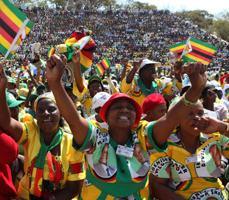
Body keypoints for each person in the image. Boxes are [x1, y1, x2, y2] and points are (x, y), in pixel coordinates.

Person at [46, 54, 207, 199]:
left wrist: (196, 89)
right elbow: (73, 119)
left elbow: (171, 119)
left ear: (136, 118)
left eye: (130, 108)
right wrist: (54, 82)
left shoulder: (144, 135)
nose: (124, 109)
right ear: (106, 117)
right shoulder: (94, 136)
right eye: (117, 107)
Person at [0, 65, 86, 200]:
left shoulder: (72, 143)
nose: (45, 113)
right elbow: (6, 123)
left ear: (61, 112)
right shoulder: (31, 132)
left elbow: (74, 188)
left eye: (51, 109)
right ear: (35, 114)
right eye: (40, 110)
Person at [149, 100, 229, 199]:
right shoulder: (166, 142)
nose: (197, 117)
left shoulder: (214, 136)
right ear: (176, 118)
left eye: (200, 113)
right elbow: (157, 186)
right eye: (189, 113)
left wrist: (223, 127)